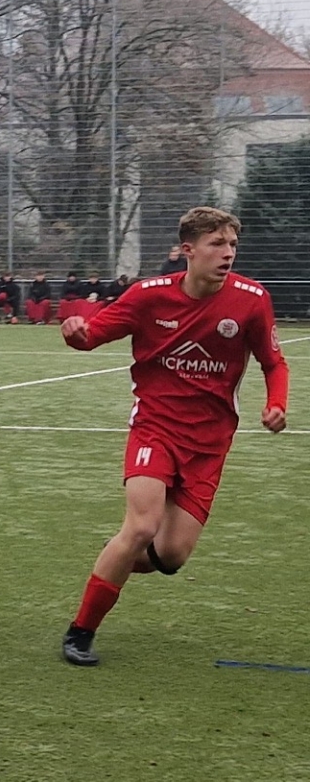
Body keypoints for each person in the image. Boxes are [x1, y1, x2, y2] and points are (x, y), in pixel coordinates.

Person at [58, 207, 288, 666]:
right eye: (217, 244)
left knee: (171, 556)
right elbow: (93, 335)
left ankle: (117, 555)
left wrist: (276, 402)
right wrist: (75, 331)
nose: (228, 253)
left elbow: (273, 362)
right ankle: (80, 633)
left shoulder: (251, 299)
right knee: (142, 526)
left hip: (210, 444)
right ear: (188, 250)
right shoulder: (148, 296)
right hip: (155, 428)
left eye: (232, 245)